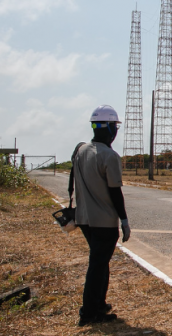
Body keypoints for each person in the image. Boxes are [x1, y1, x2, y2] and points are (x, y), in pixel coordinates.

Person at [73, 105, 130, 326]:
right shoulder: (109, 156)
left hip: (84, 218)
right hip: (104, 221)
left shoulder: (80, 150)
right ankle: (89, 312)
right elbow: (115, 192)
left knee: (100, 262)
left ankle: (98, 303)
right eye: (115, 126)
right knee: (97, 265)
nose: (116, 130)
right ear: (109, 128)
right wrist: (124, 220)